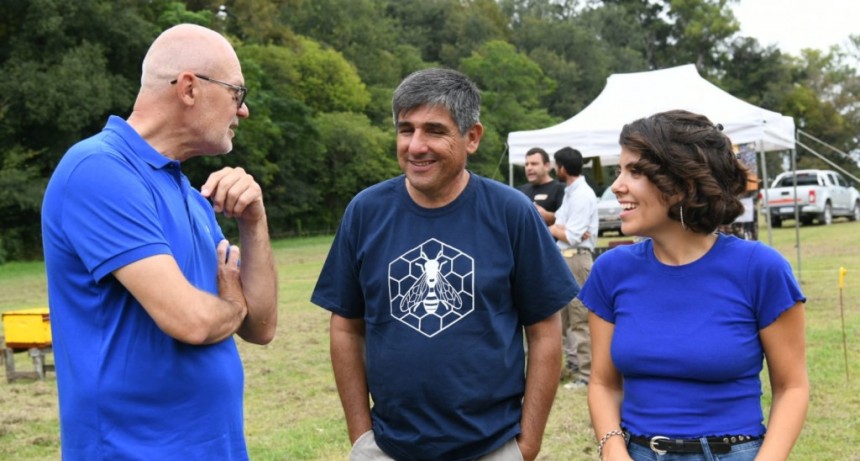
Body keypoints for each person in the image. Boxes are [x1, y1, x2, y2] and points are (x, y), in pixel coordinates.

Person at [310, 68, 579, 461]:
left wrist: (527, 446)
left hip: (492, 446)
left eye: (434, 130)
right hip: (388, 447)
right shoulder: (365, 212)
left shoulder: (511, 213)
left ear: (472, 137)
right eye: (406, 130)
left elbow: (544, 332)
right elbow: (346, 328)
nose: (416, 146)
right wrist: (361, 437)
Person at [41, 24, 278, 460]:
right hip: (132, 450)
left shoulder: (189, 196)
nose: (242, 112)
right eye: (236, 94)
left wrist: (254, 222)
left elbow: (260, 327)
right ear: (189, 88)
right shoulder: (98, 170)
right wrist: (231, 306)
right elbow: (190, 321)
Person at [581, 110, 808, 461]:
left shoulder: (760, 269)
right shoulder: (611, 271)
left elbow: (792, 387)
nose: (616, 185)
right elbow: (603, 383)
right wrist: (613, 451)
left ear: (683, 184)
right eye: (619, 170)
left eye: (635, 171)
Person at [549, 147, 599, 390]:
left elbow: (572, 235)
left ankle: (586, 375)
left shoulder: (582, 195)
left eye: (555, 165)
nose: (553, 169)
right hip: (565, 257)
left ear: (563, 168)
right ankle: (569, 368)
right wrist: (560, 229)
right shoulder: (571, 192)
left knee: (579, 318)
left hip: (576, 258)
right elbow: (561, 226)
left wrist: (556, 229)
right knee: (560, 318)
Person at [517, 147, 566, 226]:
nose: (529, 168)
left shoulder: (560, 189)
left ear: (547, 166)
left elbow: (569, 220)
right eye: (526, 164)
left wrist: (547, 215)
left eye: (534, 164)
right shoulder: (520, 190)